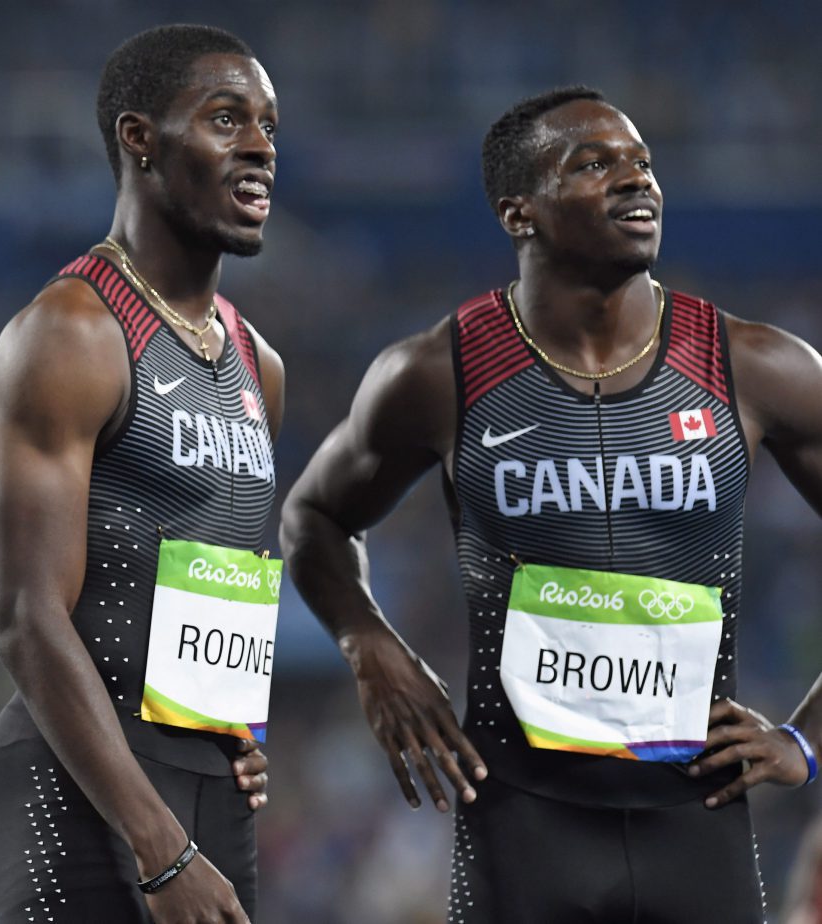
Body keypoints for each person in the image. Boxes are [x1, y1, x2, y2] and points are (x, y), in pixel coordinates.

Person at [281, 85, 822, 922]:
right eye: (594, 164)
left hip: (699, 821)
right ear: (518, 213)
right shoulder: (437, 374)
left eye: (642, 163)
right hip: (520, 826)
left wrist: (806, 738)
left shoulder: (754, 366)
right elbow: (312, 518)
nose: (635, 181)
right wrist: (367, 645)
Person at [0, 24, 283, 923]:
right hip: (77, 791)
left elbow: (218, 581)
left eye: (268, 125)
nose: (261, 144)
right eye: (226, 119)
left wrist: (228, 723)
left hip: (210, 791)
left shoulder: (260, 365)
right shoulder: (72, 332)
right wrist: (159, 847)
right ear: (139, 138)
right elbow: (24, 618)